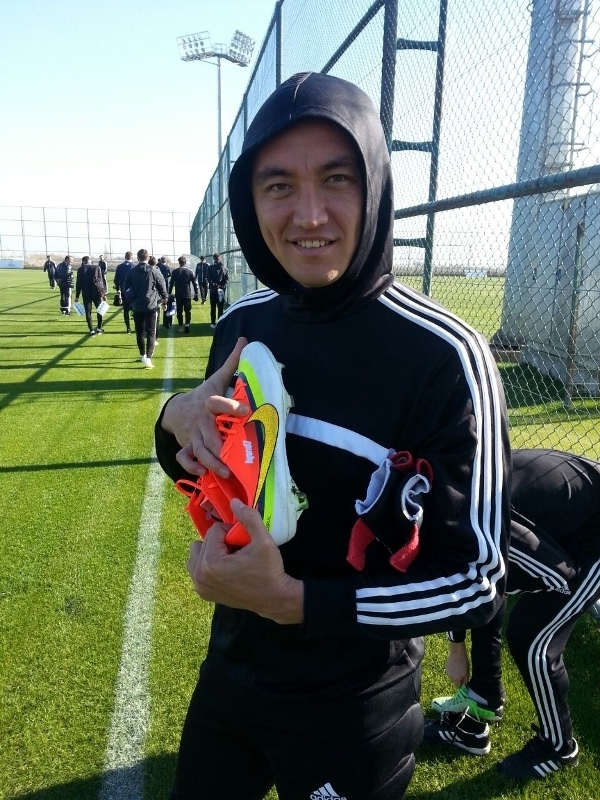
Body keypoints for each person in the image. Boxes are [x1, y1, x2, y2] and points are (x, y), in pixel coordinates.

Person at [153, 72, 510, 800]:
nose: (308, 213)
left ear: (375, 185)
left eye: (337, 178)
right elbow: (209, 465)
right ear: (250, 203)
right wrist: (172, 421)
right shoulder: (243, 324)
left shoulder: (446, 357)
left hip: (353, 707)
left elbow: (475, 580)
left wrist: (298, 600)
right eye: (278, 185)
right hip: (232, 671)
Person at [424, 448, 600, 780]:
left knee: (532, 638)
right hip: (565, 520)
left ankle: (558, 747)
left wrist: (496, 587)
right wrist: (456, 648)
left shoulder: (478, 521)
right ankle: (485, 695)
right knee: (487, 583)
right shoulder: (450, 501)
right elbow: (473, 578)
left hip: (592, 537)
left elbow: (559, 576)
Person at [123, 248, 167, 369]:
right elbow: (162, 287)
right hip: (151, 305)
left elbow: (125, 288)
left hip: (137, 306)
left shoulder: (131, 272)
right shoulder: (154, 271)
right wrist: (164, 300)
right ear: (148, 258)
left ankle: (142, 355)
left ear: (138, 258)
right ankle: (148, 358)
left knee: (139, 332)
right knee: (151, 332)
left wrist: (131, 300)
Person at [75, 255, 106, 335]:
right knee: (100, 310)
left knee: (88, 312)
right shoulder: (96, 267)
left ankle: (91, 330)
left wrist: (77, 296)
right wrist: (103, 294)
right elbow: (101, 281)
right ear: (90, 261)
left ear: (83, 262)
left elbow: (78, 284)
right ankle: (99, 328)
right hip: (96, 292)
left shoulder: (80, 270)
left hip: (86, 293)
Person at [169, 255, 199, 334]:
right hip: (187, 294)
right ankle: (187, 324)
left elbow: (171, 283)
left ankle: (180, 326)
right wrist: (196, 292)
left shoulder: (175, 272)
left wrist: (169, 292)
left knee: (179, 311)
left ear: (179, 263)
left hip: (178, 294)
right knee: (187, 311)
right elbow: (195, 283)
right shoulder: (189, 272)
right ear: (185, 263)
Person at [114, 251, 136, 333]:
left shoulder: (120, 266)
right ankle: (137, 327)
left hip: (124, 291)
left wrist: (117, 289)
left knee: (126, 310)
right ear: (132, 257)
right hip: (133, 291)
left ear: (125, 257)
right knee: (135, 309)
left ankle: (128, 328)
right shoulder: (134, 266)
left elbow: (116, 280)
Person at [207, 252, 228, 327]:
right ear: (220, 258)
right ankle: (219, 322)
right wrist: (221, 286)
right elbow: (226, 279)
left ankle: (213, 323)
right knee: (220, 307)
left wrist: (214, 284)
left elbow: (208, 278)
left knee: (213, 307)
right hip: (221, 290)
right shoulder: (224, 267)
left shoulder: (210, 267)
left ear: (213, 259)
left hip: (213, 290)